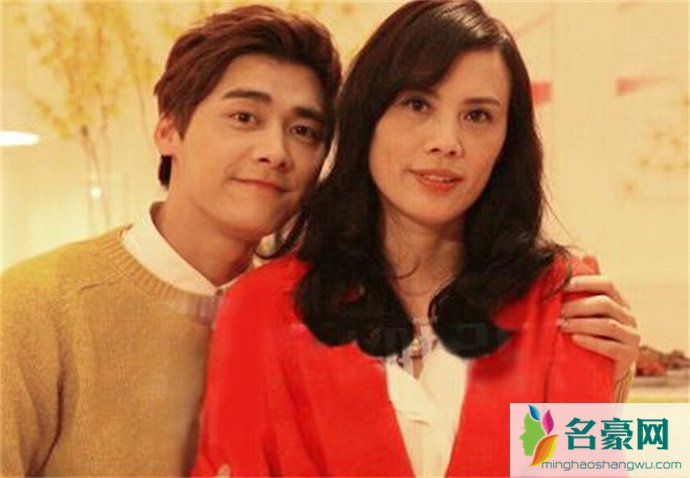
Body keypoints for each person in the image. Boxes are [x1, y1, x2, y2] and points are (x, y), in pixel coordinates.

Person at [192, 1, 637, 477]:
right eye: (418, 104)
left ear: (507, 141)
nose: (446, 141)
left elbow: (591, 468)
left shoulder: (563, 299)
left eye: (478, 115)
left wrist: (614, 390)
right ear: (368, 116)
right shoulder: (262, 307)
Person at [0, 5, 341, 476]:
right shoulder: (37, 306)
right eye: (244, 117)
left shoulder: (309, 324)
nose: (275, 152)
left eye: (303, 131)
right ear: (168, 131)